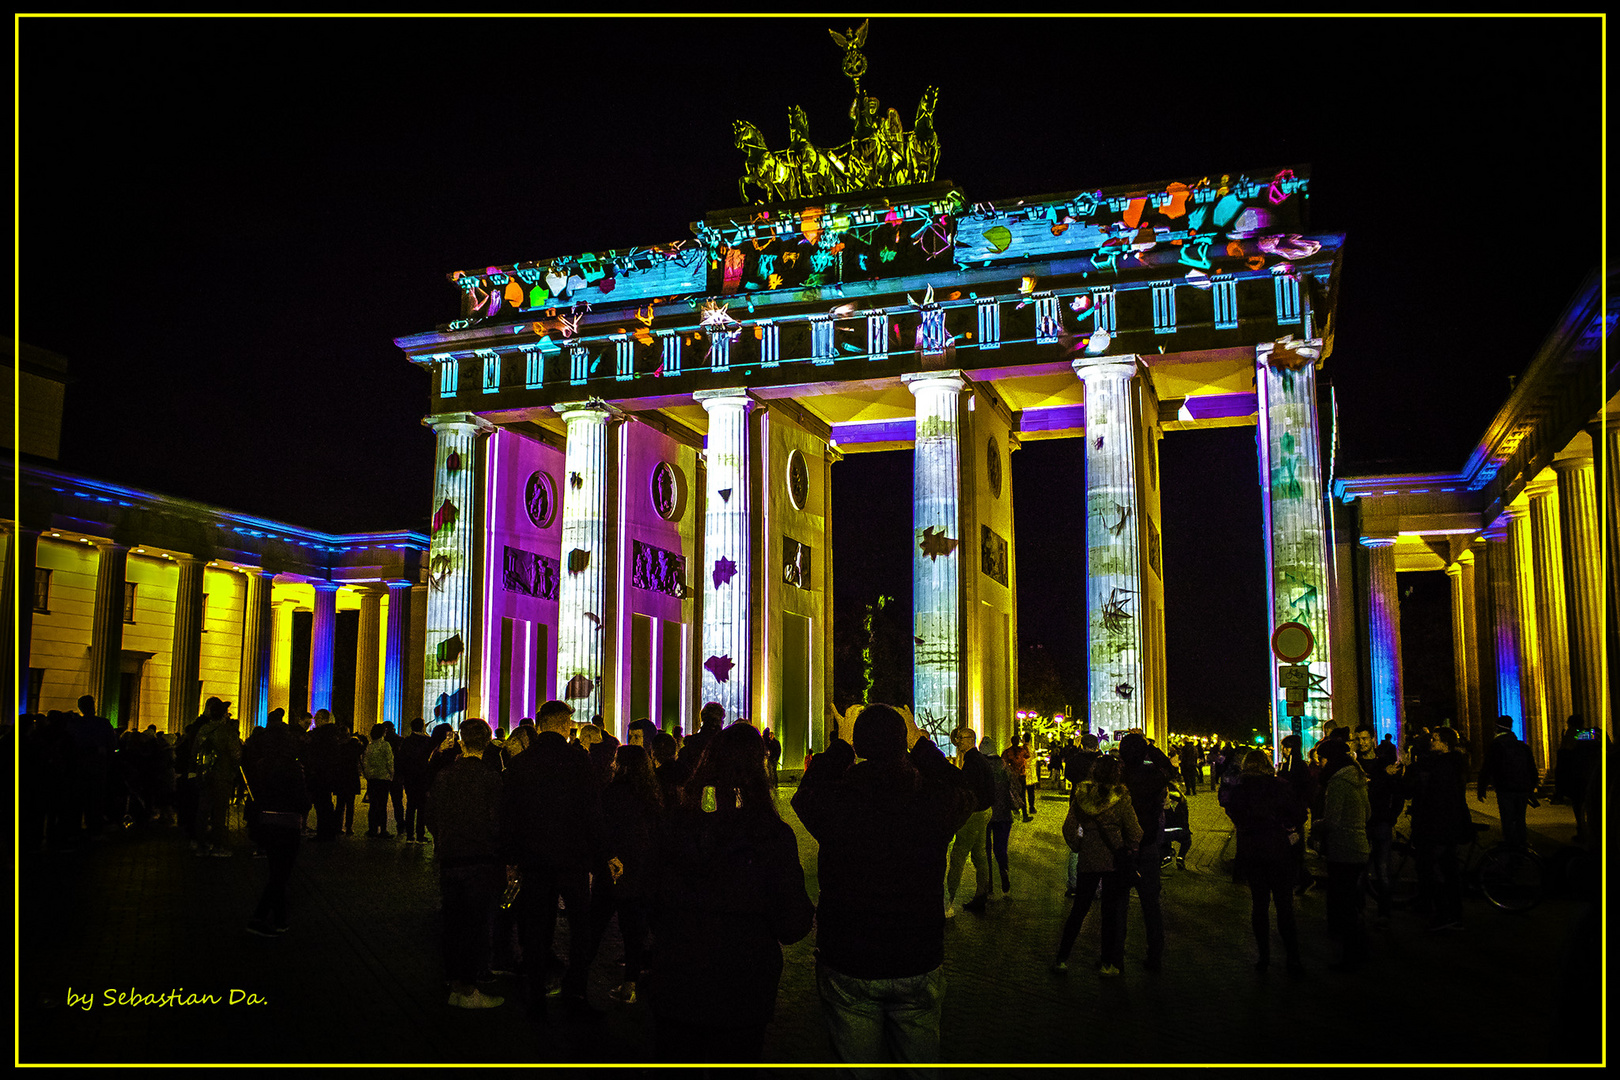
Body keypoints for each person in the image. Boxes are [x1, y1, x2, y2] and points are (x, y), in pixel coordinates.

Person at [791, 703, 975, 1067]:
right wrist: (921, 744)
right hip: (917, 954)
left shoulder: (836, 801)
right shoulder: (934, 800)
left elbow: (804, 793)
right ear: (903, 742)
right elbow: (971, 788)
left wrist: (841, 746)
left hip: (849, 955)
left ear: (858, 746)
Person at [646, 723, 814, 1062]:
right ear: (760, 770)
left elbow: (652, 901)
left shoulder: (675, 825)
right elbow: (793, 923)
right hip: (743, 988)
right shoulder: (771, 837)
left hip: (678, 981)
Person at [500, 698, 610, 1020]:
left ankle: (535, 991)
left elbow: (509, 816)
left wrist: (511, 858)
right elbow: (593, 814)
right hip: (573, 859)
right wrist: (602, 855)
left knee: (537, 926)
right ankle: (575, 988)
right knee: (580, 925)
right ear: (563, 726)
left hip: (534, 859)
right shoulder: (579, 761)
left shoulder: (521, 763)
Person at [426, 717, 506, 1009]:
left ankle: (453, 981)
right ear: (488, 744)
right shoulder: (491, 777)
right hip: (481, 859)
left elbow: (431, 814)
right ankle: (469, 987)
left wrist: (443, 839)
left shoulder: (446, 775)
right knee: (477, 924)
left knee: (453, 921)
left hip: (450, 857)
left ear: (461, 741)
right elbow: (498, 820)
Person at [1054, 754, 1140, 976]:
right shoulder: (1120, 798)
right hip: (1113, 862)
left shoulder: (1082, 796)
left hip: (1088, 858)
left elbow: (1068, 828)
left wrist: (1078, 845)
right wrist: (1128, 847)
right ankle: (1106, 962)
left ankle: (1062, 958)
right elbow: (1135, 832)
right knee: (1109, 913)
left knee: (1079, 910)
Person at [1222, 750, 1306, 974]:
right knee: (1284, 906)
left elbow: (1233, 812)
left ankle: (1263, 956)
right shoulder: (1281, 786)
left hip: (1252, 850)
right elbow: (1299, 814)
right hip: (1278, 850)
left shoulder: (1241, 789)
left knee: (1259, 905)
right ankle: (1293, 957)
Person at [597, 744, 662, 1007]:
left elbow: (604, 828)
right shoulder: (651, 793)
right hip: (640, 868)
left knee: (595, 923)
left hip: (615, 867)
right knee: (634, 929)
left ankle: (577, 980)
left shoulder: (613, 792)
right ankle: (631, 982)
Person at [241, 711, 310, 937]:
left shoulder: (261, 764)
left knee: (276, 872)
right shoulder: (292, 766)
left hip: (265, 822)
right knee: (281, 875)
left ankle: (280, 919)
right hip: (287, 824)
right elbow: (302, 800)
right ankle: (259, 918)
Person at [1407, 725, 1473, 931]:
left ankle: (1446, 914)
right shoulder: (1451, 765)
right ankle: (1448, 912)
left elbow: (1437, 798)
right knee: (1446, 869)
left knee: (1436, 869)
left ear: (1445, 744)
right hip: (1447, 825)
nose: (1431, 742)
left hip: (1439, 827)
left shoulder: (1442, 767)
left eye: (1435, 739)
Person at [1315, 739, 1370, 970]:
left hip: (1343, 849)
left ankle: (1350, 954)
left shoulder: (1338, 782)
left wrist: (1316, 825)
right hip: (1360, 846)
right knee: (1353, 902)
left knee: (1343, 904)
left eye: (1322, 759)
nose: (1320, 764)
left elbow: (1332, 821)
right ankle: (1359, 947)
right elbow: (1368, 814)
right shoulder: (1358, 778)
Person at [1116, 732, 1169, 971]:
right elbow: (1169, 769)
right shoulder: (1152, 778)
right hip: (1147, 846)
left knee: (1118, 904)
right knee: (1150, 904)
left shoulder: (1118, 779)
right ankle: (1155, 953)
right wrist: (1151, 748)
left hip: (1121, 848)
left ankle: (1114, 953)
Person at [945, 726, 997, 916]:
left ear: (970, 739)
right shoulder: (979, 760)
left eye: (960, 738)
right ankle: (982, 894)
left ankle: (948, 900)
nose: (957, 741)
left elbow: (967, 788)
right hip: (984, 812)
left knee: (958, 855)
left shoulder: (972, 762)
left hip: (974, 814)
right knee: (979, 854)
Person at [1478, 715, 1539, 852]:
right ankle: (1522, 844)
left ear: (1497, 728)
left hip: (1505, 787)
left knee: (1507, 818)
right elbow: (1532, 767)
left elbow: (1487, 767)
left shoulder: (1496, 745)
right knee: (1520, 818)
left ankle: (1510, 845)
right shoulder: (1522, 745)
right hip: (1522, 788)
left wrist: (1481, 788)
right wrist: (1532, 786)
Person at [192, 697, 241, 856]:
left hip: (205, 775)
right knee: (219, 812)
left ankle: (200, 844)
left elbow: (194, 753)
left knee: (203, 810)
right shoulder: (226, 732)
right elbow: (236, 754)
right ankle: (218, 845)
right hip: (222, 775)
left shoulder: (203, 730)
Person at [1554, 716, 1597, 843]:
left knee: (1579, 806)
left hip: (1577, 776)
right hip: (1591, 774)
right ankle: (1592, 831)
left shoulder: (1571, 736)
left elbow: (1564, 756)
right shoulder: (1591, 734)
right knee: (1591, 806)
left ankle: (1583, 831)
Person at [984, 738, 1016, 896]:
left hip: (985, 813)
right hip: (1003, 814)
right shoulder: (1004, 765)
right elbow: (1015, 786)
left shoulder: (981, 766)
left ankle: (987, 883)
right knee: (1000, 849)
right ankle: (1004, 873)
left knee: (985, 850)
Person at [397, 718, 434, 844]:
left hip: (409, 778)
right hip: (423, 778)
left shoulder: (407, 741)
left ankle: (409, 835)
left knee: (411, 806)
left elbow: (401, 760)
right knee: (422, 808)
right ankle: (420, 835)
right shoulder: (427, 741)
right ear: (423, 726)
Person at [362, 723, 395, 838]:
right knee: (382, 805)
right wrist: (391, 775)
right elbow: (389, 762)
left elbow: (365, 762)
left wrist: (367, 775)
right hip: (383, 779)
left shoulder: (369, 746)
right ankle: (383, 830)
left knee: (373, 805)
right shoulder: (385, 745)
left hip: (372, 779)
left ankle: (372, 828)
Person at [1003, 737, 1033, 821]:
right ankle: (1024, 815)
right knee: (1022, 795)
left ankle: (1011, 814)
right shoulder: (1022, 750)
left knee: (1012, 794)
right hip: (1021, 775)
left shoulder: (1008, 751)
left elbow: (1004, 762)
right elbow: (1028, 756)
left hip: (1013, 776)